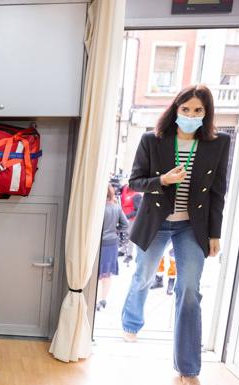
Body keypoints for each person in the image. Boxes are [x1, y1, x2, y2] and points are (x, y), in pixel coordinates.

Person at [120, 85, 231, 385]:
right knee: (143, 275)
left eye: (198, 111)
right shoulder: (152, 140)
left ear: (206, 114)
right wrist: (162, 180)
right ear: (176, 110)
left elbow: (218, 192)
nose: (191, 115)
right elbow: (135, 182)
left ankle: (188, 369)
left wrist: (214, 234)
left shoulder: (218, 143)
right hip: (157, 220)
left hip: (191, 227)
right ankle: (131, 321)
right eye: (186, 110)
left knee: (190, 291)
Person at [97, 184, 129, 311]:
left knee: (96, 272)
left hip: (99, 243)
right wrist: (115, 231)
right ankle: (102, 299)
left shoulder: (98, 208)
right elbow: (125, 225)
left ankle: (95, 298)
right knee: (107, 273)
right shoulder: (117, 207)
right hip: (111, 243)